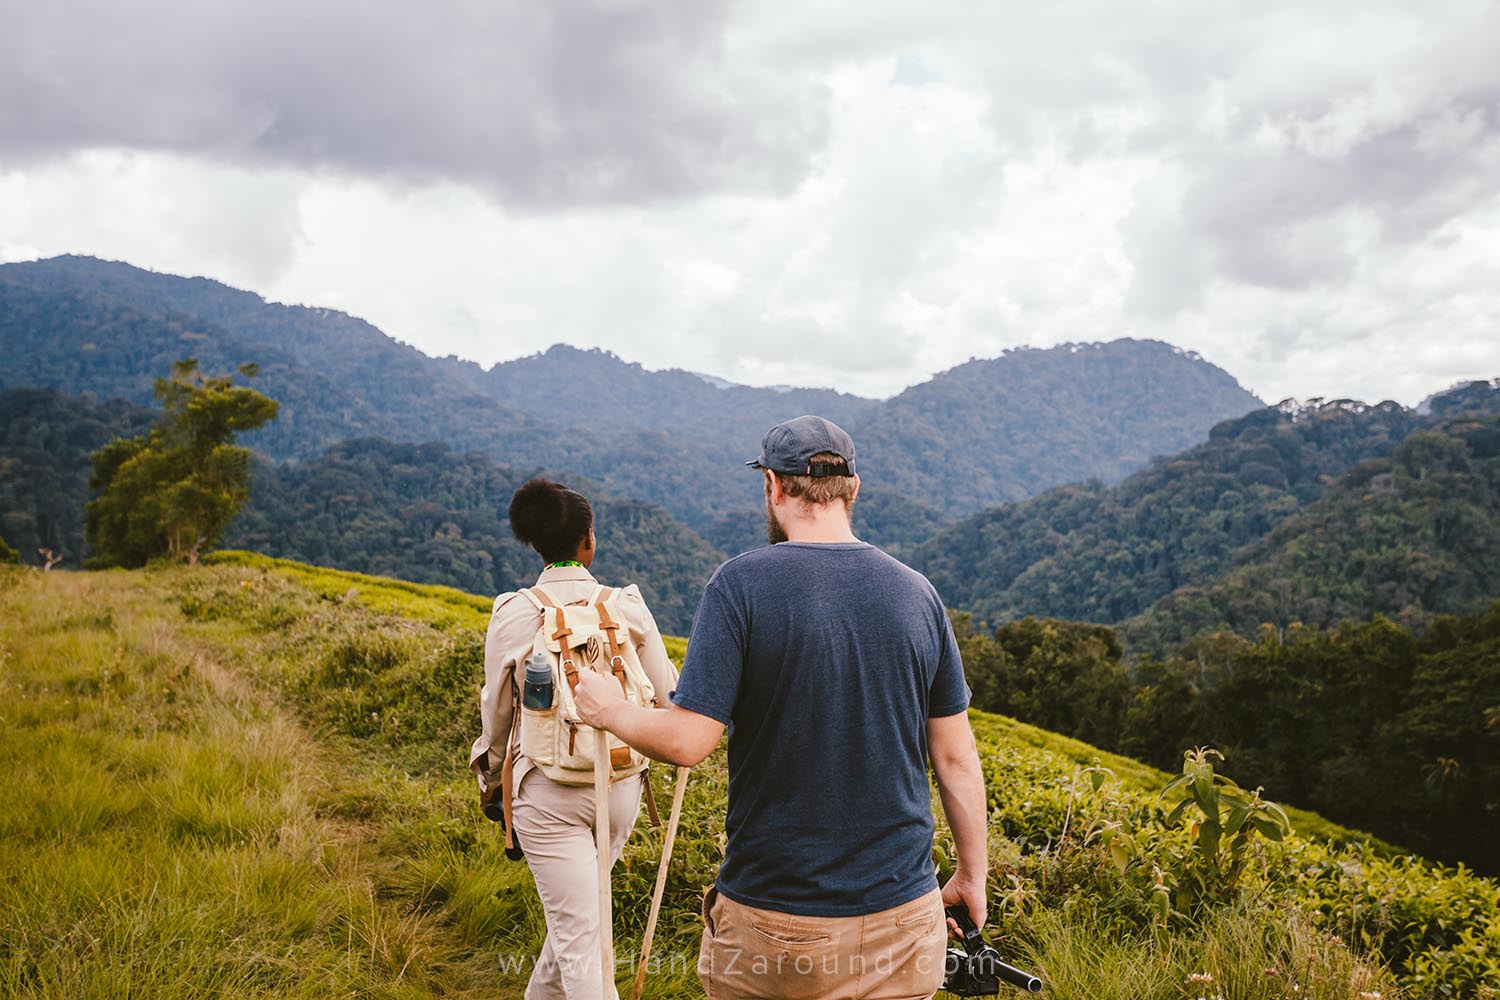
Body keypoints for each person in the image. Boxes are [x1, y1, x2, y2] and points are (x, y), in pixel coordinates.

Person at [575, 415, 989, 1000]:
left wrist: (611, 708)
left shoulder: (740, 585)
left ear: (773, 485)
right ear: (853, 489)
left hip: (777, 922)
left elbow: (690, 741)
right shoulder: (919, 594)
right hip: (906, 917)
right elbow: (956, 760)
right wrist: (972, 876)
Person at [470, 478, 679, 1000]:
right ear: (589, 540)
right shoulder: (627, 605)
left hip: (547, 792)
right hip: (620, 788)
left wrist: (493, 777)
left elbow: (496, 712)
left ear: (536, 545)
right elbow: (669, 695)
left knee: (579, 938)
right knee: (576, 926)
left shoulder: (513, 612)